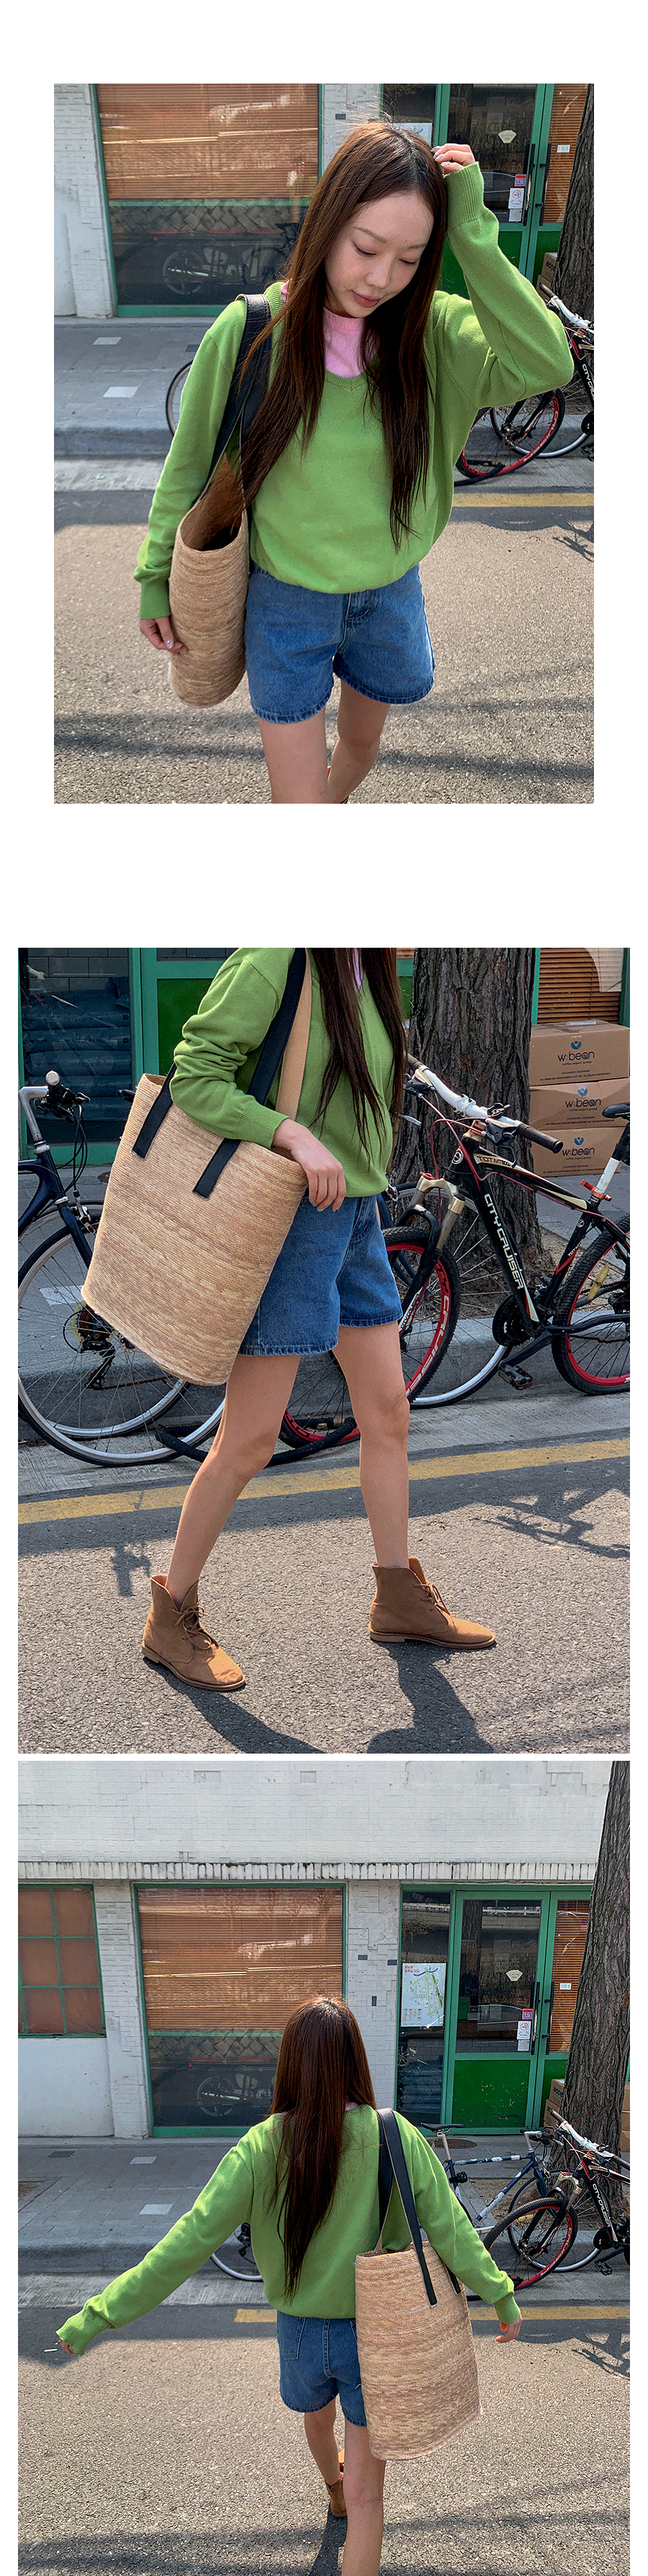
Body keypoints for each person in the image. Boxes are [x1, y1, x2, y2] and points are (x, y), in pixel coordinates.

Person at [136, 121, 572, 805]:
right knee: (298, 802)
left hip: (390, 594)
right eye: (366, 248)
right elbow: (188, 464)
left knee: (361, 750)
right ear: (329, 222)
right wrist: (154, 576)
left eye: (409, 259)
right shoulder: (254, 329)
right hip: (286, 600)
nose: (380, 279)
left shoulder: (436, 333)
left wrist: (473, 233)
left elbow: (547, 362)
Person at [57, 1996, 522, 2575]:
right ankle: (348, 2495)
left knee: (316, 2414)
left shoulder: (259, 2146)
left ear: (289, 2064)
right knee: (370, 2500)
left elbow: (184, 2244)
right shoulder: (393, 2134)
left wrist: (98, 2314)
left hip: (300, 2333)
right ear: (355, 2059)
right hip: (378, 2333)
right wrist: (500, 2294)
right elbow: (452, 2229)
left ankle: (331, 2486)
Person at [139, 946, 497, 1694]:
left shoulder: (368, 966)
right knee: (249, 1438)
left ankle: (397, 1597)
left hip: (356, 1215)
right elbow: (195, 1075)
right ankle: (170, 1616)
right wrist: (292, 1134)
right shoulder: (281, 955)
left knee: (388, 1412)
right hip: (291, 1219)